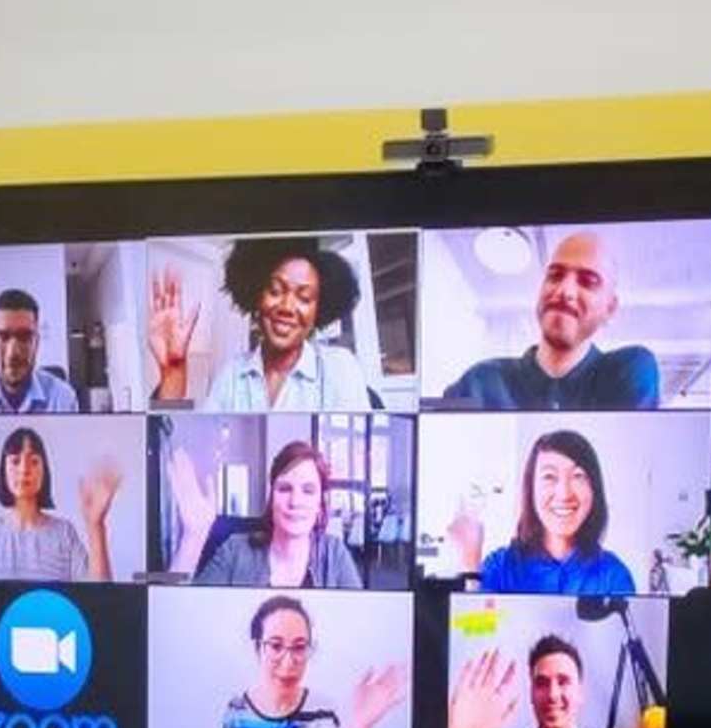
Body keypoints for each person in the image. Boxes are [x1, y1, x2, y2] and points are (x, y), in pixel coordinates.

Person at [431, 231, 662, 410]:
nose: (565, 291)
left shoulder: (627, 370)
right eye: (555, 275)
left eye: (588, 281)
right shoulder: (480, 381)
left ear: (610, 309)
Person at [151, 237, 374, 409]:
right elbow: (179, 441)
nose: (287, 306)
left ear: (318, 310)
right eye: (275, 290)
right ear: (257, 296)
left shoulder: (341, 369)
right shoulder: (231, 376)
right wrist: (173, 371)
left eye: (304, 298)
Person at [446, 429, 635, 597]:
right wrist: (470, 563)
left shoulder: (614, 576)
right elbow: (475, 631)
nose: (564, 493)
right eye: (550, 477)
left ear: (595, 489)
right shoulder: (501, 567)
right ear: (531, 490)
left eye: (578, 476)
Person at [169, 435, 371, 589]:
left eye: (308, 491)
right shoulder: (234, 550)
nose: (295, 501)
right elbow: (182, 613)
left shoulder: (334, 554)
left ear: (320, 504)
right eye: (284, 489)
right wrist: (193, 537)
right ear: (272, 497)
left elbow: (359, 623)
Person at [218, 595, 404, 728]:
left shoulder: (325, 714)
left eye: (299, 647)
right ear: (258, 648)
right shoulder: (236, 711)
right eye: (276, 646)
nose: (289, 661)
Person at [0, 425, 117, 580]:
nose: (24, 469)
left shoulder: (64, 533)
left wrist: (96, 525)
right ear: (3, 470)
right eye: (15, 461)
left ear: (44, 471)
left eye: (33, 461)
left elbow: (99, 596)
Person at [449, 635, 607, 728]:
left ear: (580, 692)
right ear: (531, 693)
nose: (552, 694)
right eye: (542, 683)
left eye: (563, 681)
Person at [0, 288, 84, 414]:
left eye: (24, 337)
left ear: (37, 342)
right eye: (3, 337)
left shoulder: (62, 398)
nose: (13, 353)